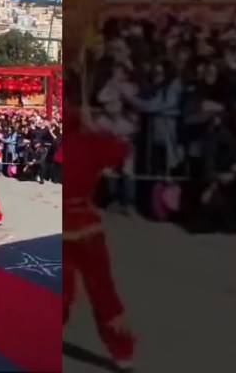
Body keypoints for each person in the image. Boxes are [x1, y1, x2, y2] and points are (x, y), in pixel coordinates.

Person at [63, 108, 135, 372]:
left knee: (61, 289)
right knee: (102, 289)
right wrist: (94, 130)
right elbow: (123, 149)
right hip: (87, 227)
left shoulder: (61, 146)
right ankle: (122, 351)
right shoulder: (91, 143)